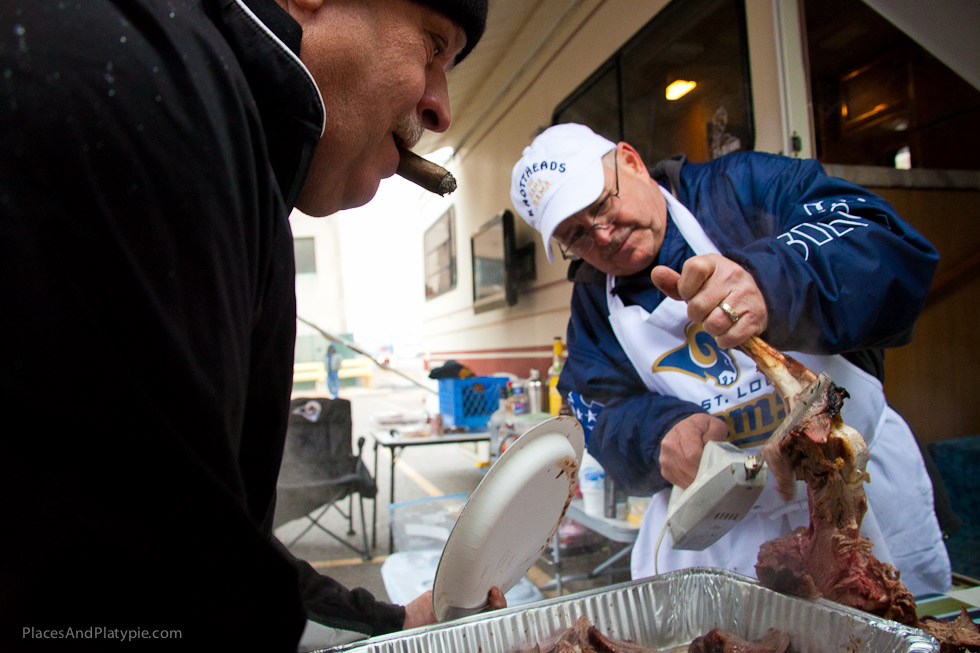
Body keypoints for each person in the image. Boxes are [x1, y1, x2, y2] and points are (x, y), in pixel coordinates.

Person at [0, 0, 503, 650]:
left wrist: (393, 622)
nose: (442, 108)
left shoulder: (242, 150)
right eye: (433, 47)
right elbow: (144, 594)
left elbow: (209, 538)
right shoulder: (164, 86)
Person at [509, 123, 951, 596]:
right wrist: (658, 433)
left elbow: (883, 241)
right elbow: (594, 407)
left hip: (859, 496)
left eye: (601, 205)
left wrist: (772, 281)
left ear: (631, 161)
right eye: (575, 235)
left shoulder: (743, 189)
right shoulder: (595, 304)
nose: (601, 235)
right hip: (726, 531)